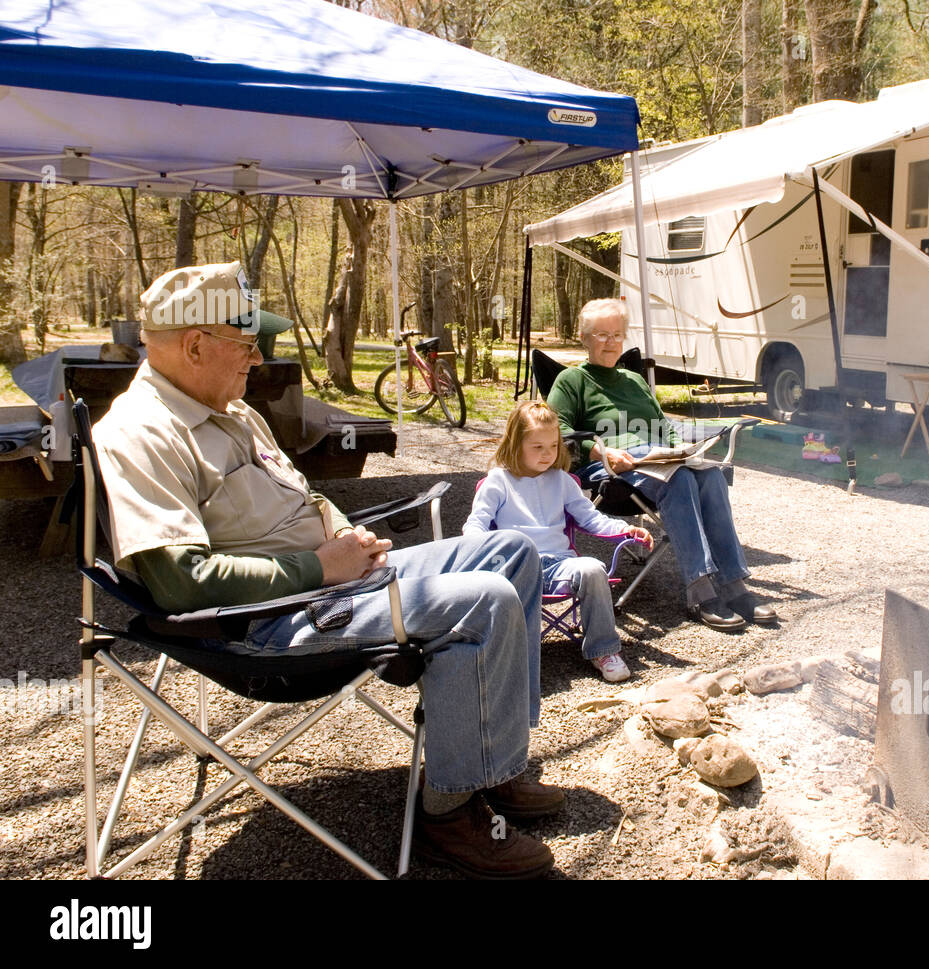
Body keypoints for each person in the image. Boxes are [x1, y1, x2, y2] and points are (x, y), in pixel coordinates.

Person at [93, 261, 560, 880]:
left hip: (336, 580)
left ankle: (494, 766)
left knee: (514, 555)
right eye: (246, 343)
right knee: (487, 597)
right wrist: (318, 567)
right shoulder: (140, 432)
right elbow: (179, 582)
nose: (256, 358)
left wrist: (341, 530)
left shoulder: (236, 412)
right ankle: (449, 815)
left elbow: (304, 496)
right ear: (195, 344)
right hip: (279, 621)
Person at [547, 298, 776, 631]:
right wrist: (602, 453)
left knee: (710, 475)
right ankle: (699, 591)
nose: (610, 342)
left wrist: (681, 447)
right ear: (584, 337)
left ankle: (734, 585)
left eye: (616, 334)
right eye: (601, 335)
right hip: (611, 469)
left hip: (655, 458)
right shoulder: (571, 381)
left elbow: (662, 425)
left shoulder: (634, 380)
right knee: (680, 479)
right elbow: (556, 430)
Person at [464, 400, 652, 683]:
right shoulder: (498, 481)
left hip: (560, 565)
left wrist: (626, 529)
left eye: (553, 446)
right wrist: (474, 547)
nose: (547, 454)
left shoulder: (562, 481)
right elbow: (476, 523)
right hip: (517, 564)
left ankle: (603, 650)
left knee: (591, 569)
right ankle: (511, 655)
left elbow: (591, 518)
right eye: (537, 447)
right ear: (516, 444)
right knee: (502, 581)